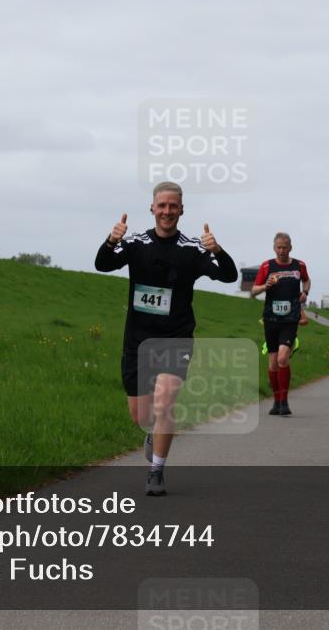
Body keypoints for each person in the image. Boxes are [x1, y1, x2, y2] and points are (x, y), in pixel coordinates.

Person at [95, 181, 238, 495]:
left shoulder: (192, 249)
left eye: (173, 206)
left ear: (182, 210)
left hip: (176, 337)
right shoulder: (134, 244)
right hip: (137, 340)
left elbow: (229, 275)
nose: (167, 211)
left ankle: (156, 471)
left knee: (165, 400)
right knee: (142, 414)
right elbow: (102, 265)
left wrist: (217, 250)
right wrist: (110, 241)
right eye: (162, 205)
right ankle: (153, 432)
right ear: (152, 208)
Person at [250, 232, 310, 417]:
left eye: (285, 247)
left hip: (290, 319)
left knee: (283, 358)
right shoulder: (267, 266)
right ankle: (276, 401)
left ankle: (284, 402)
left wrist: (305, 293)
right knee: (273, 363)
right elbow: (253, 291)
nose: (282, 251)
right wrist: (265, 286)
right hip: (271, 319)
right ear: (274, 248)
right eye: (279, 247)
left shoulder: (299, 265)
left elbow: (306, 281)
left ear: (290, 247)